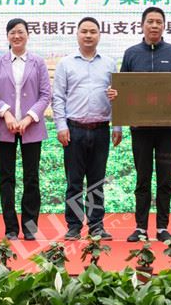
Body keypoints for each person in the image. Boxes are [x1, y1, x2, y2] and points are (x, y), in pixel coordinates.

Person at [119, 6, 171, 243]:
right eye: (150, 21)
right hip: (140, 130)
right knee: (142, 179)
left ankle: (162, 227)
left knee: (165, 179)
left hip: (167, 130)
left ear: (164, 26)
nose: (154, 25)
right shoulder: (131, 54)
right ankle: (140, 227)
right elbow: (122, 88)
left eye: (159, 22)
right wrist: (115, 95)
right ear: (142, 25)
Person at [52, 17, 121, 240]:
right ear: (77, 34)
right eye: (84, 31)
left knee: (96, 181)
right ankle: (73, 226)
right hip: (74, 129)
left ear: (99, 35)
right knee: (73, 182)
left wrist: (117, 125)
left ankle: (96, 225)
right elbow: (58, 97)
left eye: (93, 31)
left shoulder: (109, 63)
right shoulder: (66, 63)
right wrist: (61, 126)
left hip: (101, 129)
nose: (88, 35)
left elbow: (117, 96)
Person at [0, 18, 52, 241]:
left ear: (27, 35)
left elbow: (45, 94)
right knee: (6, 177)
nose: (17, 36)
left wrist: (28, 118)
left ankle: (30, 227)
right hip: (5, 127)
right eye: (12, 32)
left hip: (31, 128)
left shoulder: (38, 62)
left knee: (31, 178)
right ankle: (11, 228)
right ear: (7, 36)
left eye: (21, 32)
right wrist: (6, 113)